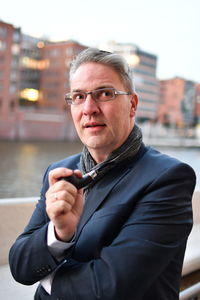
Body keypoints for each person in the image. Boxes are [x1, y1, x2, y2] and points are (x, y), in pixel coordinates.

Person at [9, 48, 196, 300]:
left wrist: (49, 279)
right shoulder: (59, 172)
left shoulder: (168, 178)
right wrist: (59, 234)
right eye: (78, 96)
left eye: (105, 94)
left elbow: (112, 287)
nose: (89, 108)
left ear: (132, 104)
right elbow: (20, 266)